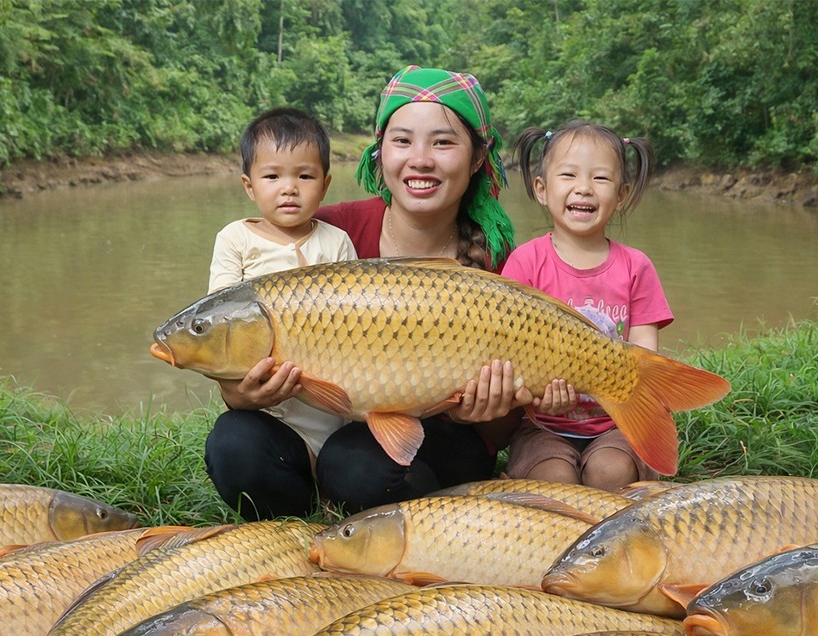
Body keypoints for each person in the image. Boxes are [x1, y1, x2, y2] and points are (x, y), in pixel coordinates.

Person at [205, 66, 529, 520]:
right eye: (401, 141)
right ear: (379, 155)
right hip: (344, 424)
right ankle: (297, 519)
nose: (420, 159)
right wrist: (237, 393)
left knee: (354, 463)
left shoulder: (500, 257)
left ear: (477, 158)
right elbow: (245, 319)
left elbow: (508, 424)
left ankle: (400, 506)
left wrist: (482, 412)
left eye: (443, 142)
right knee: (234, 442)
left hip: (438, 439)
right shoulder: (328, 229)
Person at [202, 107, 358, 519]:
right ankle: (285, 512)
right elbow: (219, 322)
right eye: (273, 177)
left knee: (353, 460)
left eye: (304, 177)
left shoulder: (337, 242)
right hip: (270, 415)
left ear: (324, 185)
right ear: (249, 185)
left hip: (335, 411)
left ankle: (331, 486)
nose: (288, 189)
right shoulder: (235, 238)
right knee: (235, 444)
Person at [500, 120, 671, 491]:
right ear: (541, 189)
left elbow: (644, 358)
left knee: (608, 473)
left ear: (622, 194)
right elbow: (508, 358)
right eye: (569, 175)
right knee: (555, 481)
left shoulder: (636, 266)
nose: (584, 188)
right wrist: (537, 395)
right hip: (542, 425)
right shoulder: (524, 263)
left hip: (616, 423)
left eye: (600, 179)